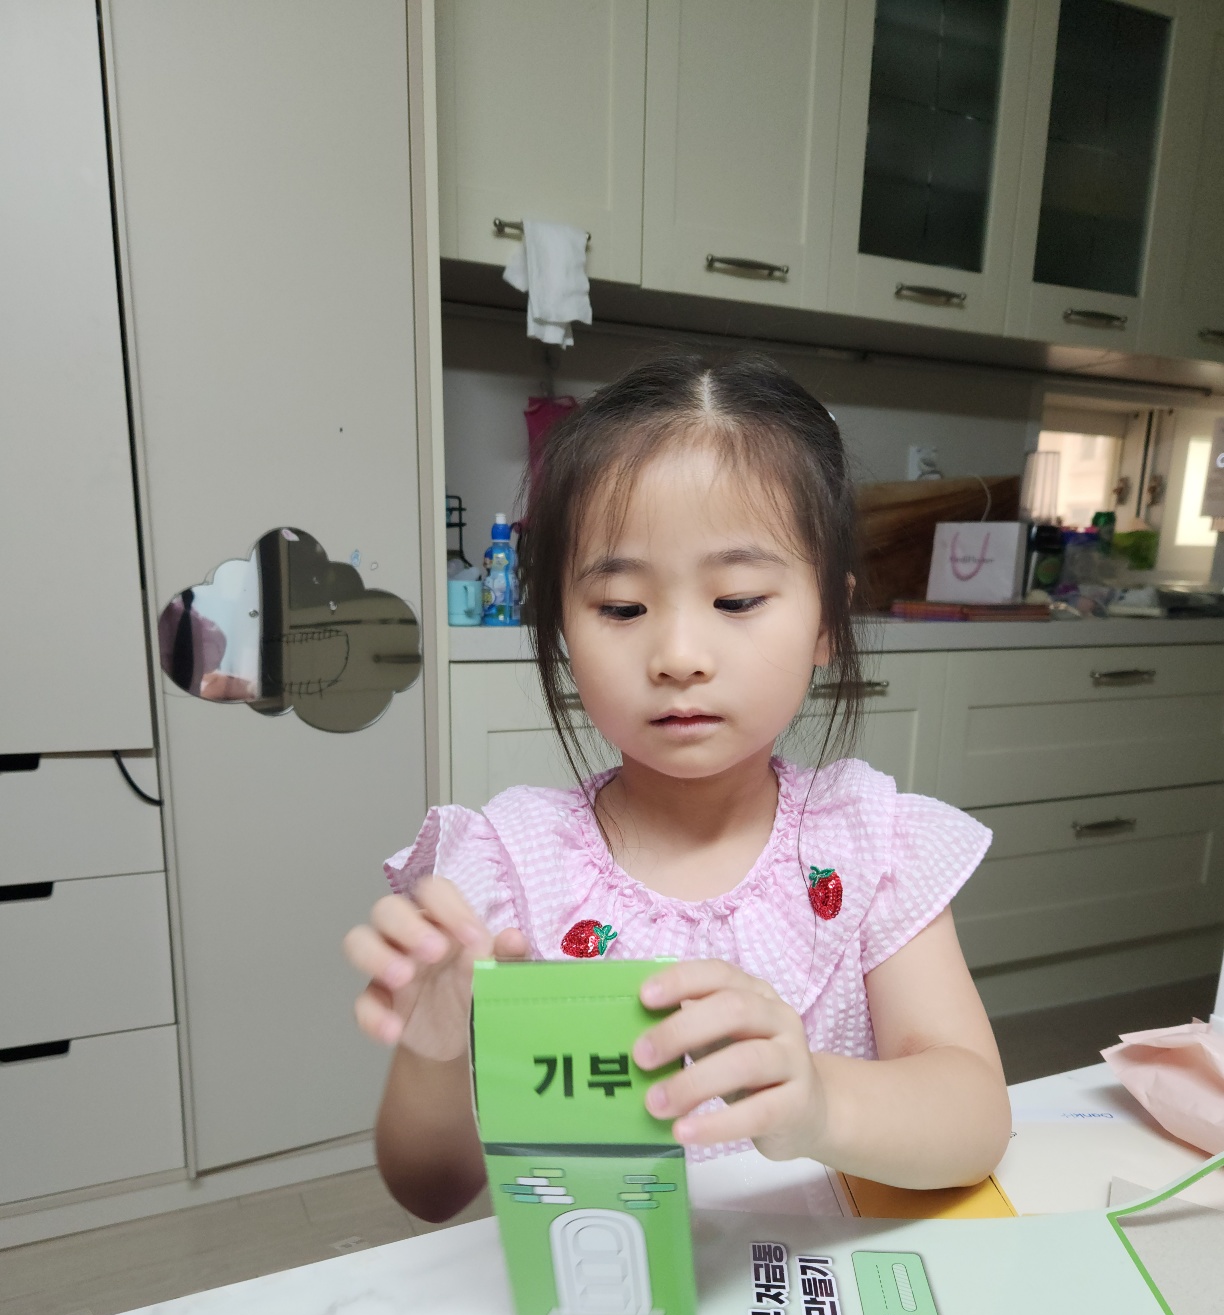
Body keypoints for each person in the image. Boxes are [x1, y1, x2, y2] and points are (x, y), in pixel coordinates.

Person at [343, 353, 1009, 1223]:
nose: (678, 656)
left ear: (827, 622)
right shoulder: (509, 869)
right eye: (622, 608)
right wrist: (432, 1051)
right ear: (561, 629)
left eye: (737, 600)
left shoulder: (870, 843)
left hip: (822, 1284)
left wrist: (819, 1102)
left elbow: (974, 1120)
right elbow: (431, 1190)